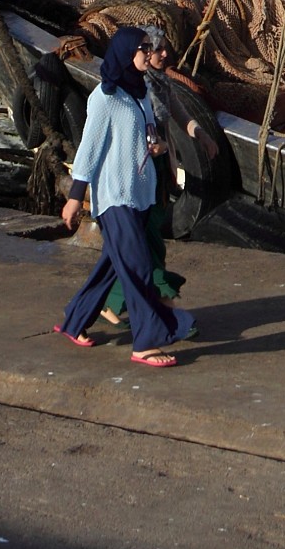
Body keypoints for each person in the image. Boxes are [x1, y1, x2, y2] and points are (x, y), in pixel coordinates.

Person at [55, 28, 191, 367]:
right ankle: (146, 341)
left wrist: (158, 147)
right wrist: (75, 196)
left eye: (148, 47)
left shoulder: (140, 91)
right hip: (116, 197)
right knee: (138, 266)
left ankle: (74, 321)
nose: (149, 53)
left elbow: (144, 135)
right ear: (125, 52)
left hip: (140, 193)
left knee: (112, 266)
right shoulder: (105, 97)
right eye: (142, 48)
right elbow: (89, 150)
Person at [100, 32, 185, 328]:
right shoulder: (132, 90)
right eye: (155, 49)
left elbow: (170, 122)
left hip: (158, 169)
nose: (163, 55)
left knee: (136, 245)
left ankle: (106, 301)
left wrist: (178, 152)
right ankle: (167, 310)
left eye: (163, 49)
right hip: (140, 172)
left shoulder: (160, 83)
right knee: (148, 243)